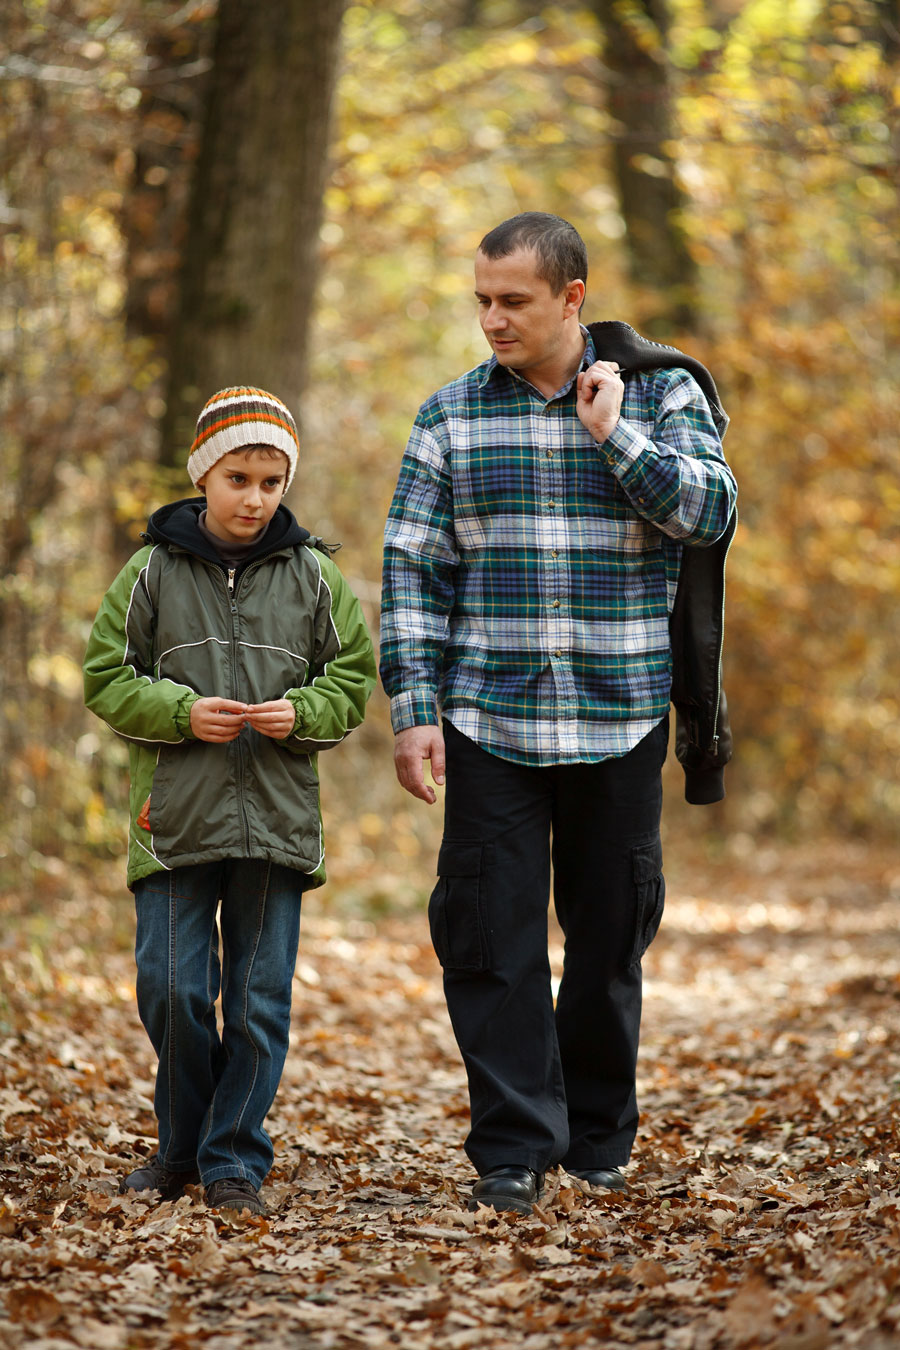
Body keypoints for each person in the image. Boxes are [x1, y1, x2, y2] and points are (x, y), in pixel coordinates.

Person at [380, 213, 737, 1215]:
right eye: (482, 300)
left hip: (620, 712)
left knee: (608, 937)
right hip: (488, 717)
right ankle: (510, 1150)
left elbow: (710, 514)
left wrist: (614, 435)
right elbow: (413, 565)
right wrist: (412, 708)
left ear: (572, 298)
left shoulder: (663, 395)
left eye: (514, 302)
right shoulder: (449, 415)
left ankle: (595, 1139)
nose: (491, 319)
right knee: (489, 937)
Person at [84, 386, 376, 1216]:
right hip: (174, 818)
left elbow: (351, 678)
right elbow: (105, 677)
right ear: (205, 475)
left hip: (277, 822)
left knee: (256, 1002)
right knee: (171, 990)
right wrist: (178, 712)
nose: (255, 498)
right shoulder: (149, 570)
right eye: (239, 478)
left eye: (272, 482)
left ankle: (234, 1159)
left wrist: (305, 714)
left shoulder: (316, 576)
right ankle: (182, 1147)